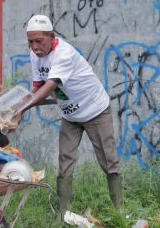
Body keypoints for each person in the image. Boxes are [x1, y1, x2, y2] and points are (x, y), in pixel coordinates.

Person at [17, 14, 123, 215]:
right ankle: (63, 215)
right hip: (71, 116)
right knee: (64, 163)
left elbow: (49, 87)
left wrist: (22, 108)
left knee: (109, 162)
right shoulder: (35, 55)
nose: (34, 46)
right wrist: (17, 109)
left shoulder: (64, 54)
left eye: (39, 41)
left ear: (52, 36)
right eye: (30, 42)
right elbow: (37, 87)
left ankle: (119, 211)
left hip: (95, 111)